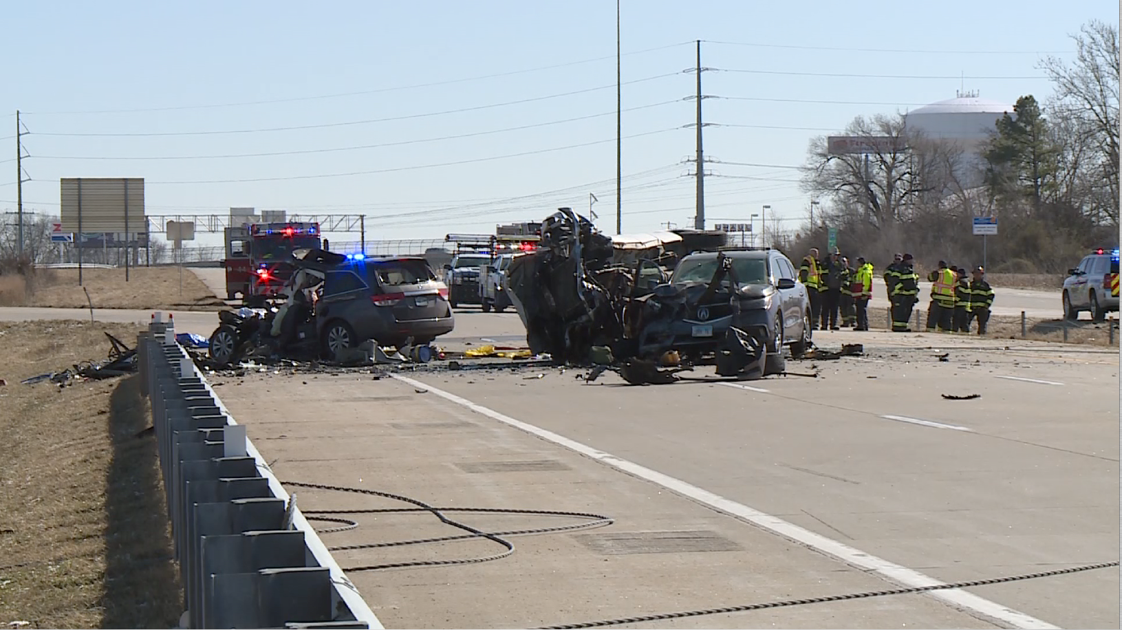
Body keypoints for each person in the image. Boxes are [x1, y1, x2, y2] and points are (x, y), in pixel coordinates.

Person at [888, 253, 920, 332]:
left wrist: (915, 291)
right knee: (900, 311)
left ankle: (903, 327)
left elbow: (912, 282)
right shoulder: (899, 268)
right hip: (901, 294)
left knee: (906, 312)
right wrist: (901, 289)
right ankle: (898, 327)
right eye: (911, 260)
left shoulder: (910, 269)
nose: (912, 261)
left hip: (909, 295)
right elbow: (894, 281)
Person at [926, 260, 957, 332]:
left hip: (939, 299)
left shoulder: (939, 273)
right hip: (950, 300)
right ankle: (946, 332)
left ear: (939, 266)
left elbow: (930, 278)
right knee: (946, 319)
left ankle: (930, 331)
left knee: (933, 317)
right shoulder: (954, 274)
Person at [799, 247, 824, 330]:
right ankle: (810, 324)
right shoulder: (807, 261)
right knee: (811, 306)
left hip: (815, 287)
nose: (817, 255)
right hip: (809, 287)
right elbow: (803, 273)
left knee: (816, 306)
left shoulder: (816, 263)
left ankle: (814, 323)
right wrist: (805, 286)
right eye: (815, 253)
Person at [821, 249, 844, 330]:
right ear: (830, 255)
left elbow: (845, 275)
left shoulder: (840, 265)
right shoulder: (825, 264)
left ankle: (833, 324)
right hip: (826, 289)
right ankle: (824, 325)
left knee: (834, 308)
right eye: (834, 255)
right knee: (825, 308)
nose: (835, 257)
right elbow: (822, 275)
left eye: (836, 255)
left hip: (836, 289)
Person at [967, 266, 994, 334]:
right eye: (975, 274)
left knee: (982, 325)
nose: (977, 275)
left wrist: (987, 305)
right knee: (966, 322)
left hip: (982, 309)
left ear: (982, 275)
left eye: (978, 274)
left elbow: (991, 295)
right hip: (971, 308)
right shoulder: (971, 285)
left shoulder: (985, 286)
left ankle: (981, 336)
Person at [852, 256, 873, 331]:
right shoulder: (860, 271)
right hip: (859, 294)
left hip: (863, 294)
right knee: (860, 310)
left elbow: (866, 283)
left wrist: (864, 293)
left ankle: (862, 325)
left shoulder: (865, 271)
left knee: (861, 310)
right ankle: (862, 325)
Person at [839, 256, 856, 327]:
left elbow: (854, 280)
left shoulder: (852, 271)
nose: (843, 264)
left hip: (850, 292)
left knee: (851, 307)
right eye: (842, 262)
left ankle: (853, 322)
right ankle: (845, 322)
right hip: (841, 293)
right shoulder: (840, 271)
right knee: (842, 307)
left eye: (844, 262)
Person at [953, 267, 971, 333]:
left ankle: (954, 333)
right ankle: (966, 334)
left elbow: (959, 293)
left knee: (956, 322)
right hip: (965, 306)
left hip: (959, 305)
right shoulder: (967, 281)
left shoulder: (960, 282)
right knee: (964, 323)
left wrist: (955, 301)